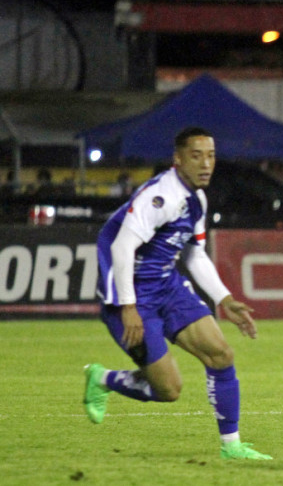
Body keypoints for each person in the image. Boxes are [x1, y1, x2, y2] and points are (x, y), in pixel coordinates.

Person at [82, 127, 272, 461]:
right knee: (169, 390)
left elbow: (194, 254)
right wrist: (128, 307)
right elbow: (122, 247)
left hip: (167, 287)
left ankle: (232, 447)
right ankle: (103, 379)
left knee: (221, 354)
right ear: (178, 159)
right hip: (130, 297)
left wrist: (224, 299)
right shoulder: (159, 197)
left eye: (211, 155)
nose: (206, 164)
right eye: (196, 156)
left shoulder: (196, 198)